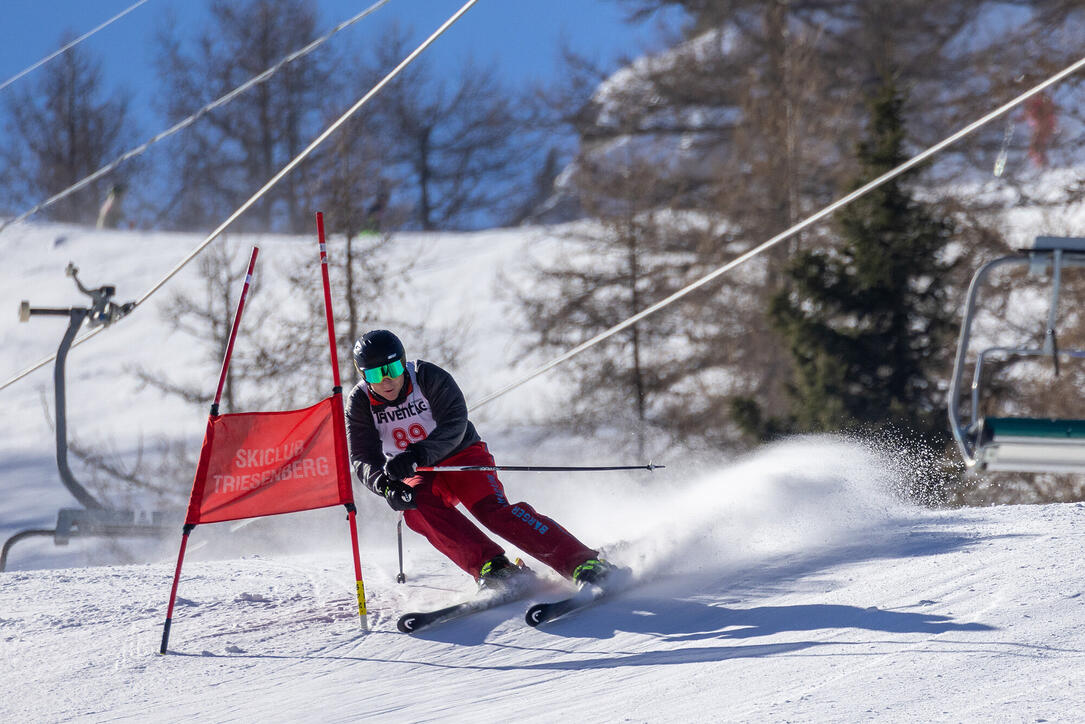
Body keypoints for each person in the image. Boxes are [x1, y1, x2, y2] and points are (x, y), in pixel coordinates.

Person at [345, 329, 615, 590]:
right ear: (364, 376)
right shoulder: (360, 402)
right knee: (415, 507)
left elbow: (455, 425)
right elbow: (362, 457)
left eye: (392, 369)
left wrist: (416, 453)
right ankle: (493, 567)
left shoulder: (427, 377)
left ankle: (583, 562)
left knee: (493, 512)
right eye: (374, 373)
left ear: (403, 363)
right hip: (420, 470)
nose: (386, 381)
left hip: (462, 455)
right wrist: (385, 485)